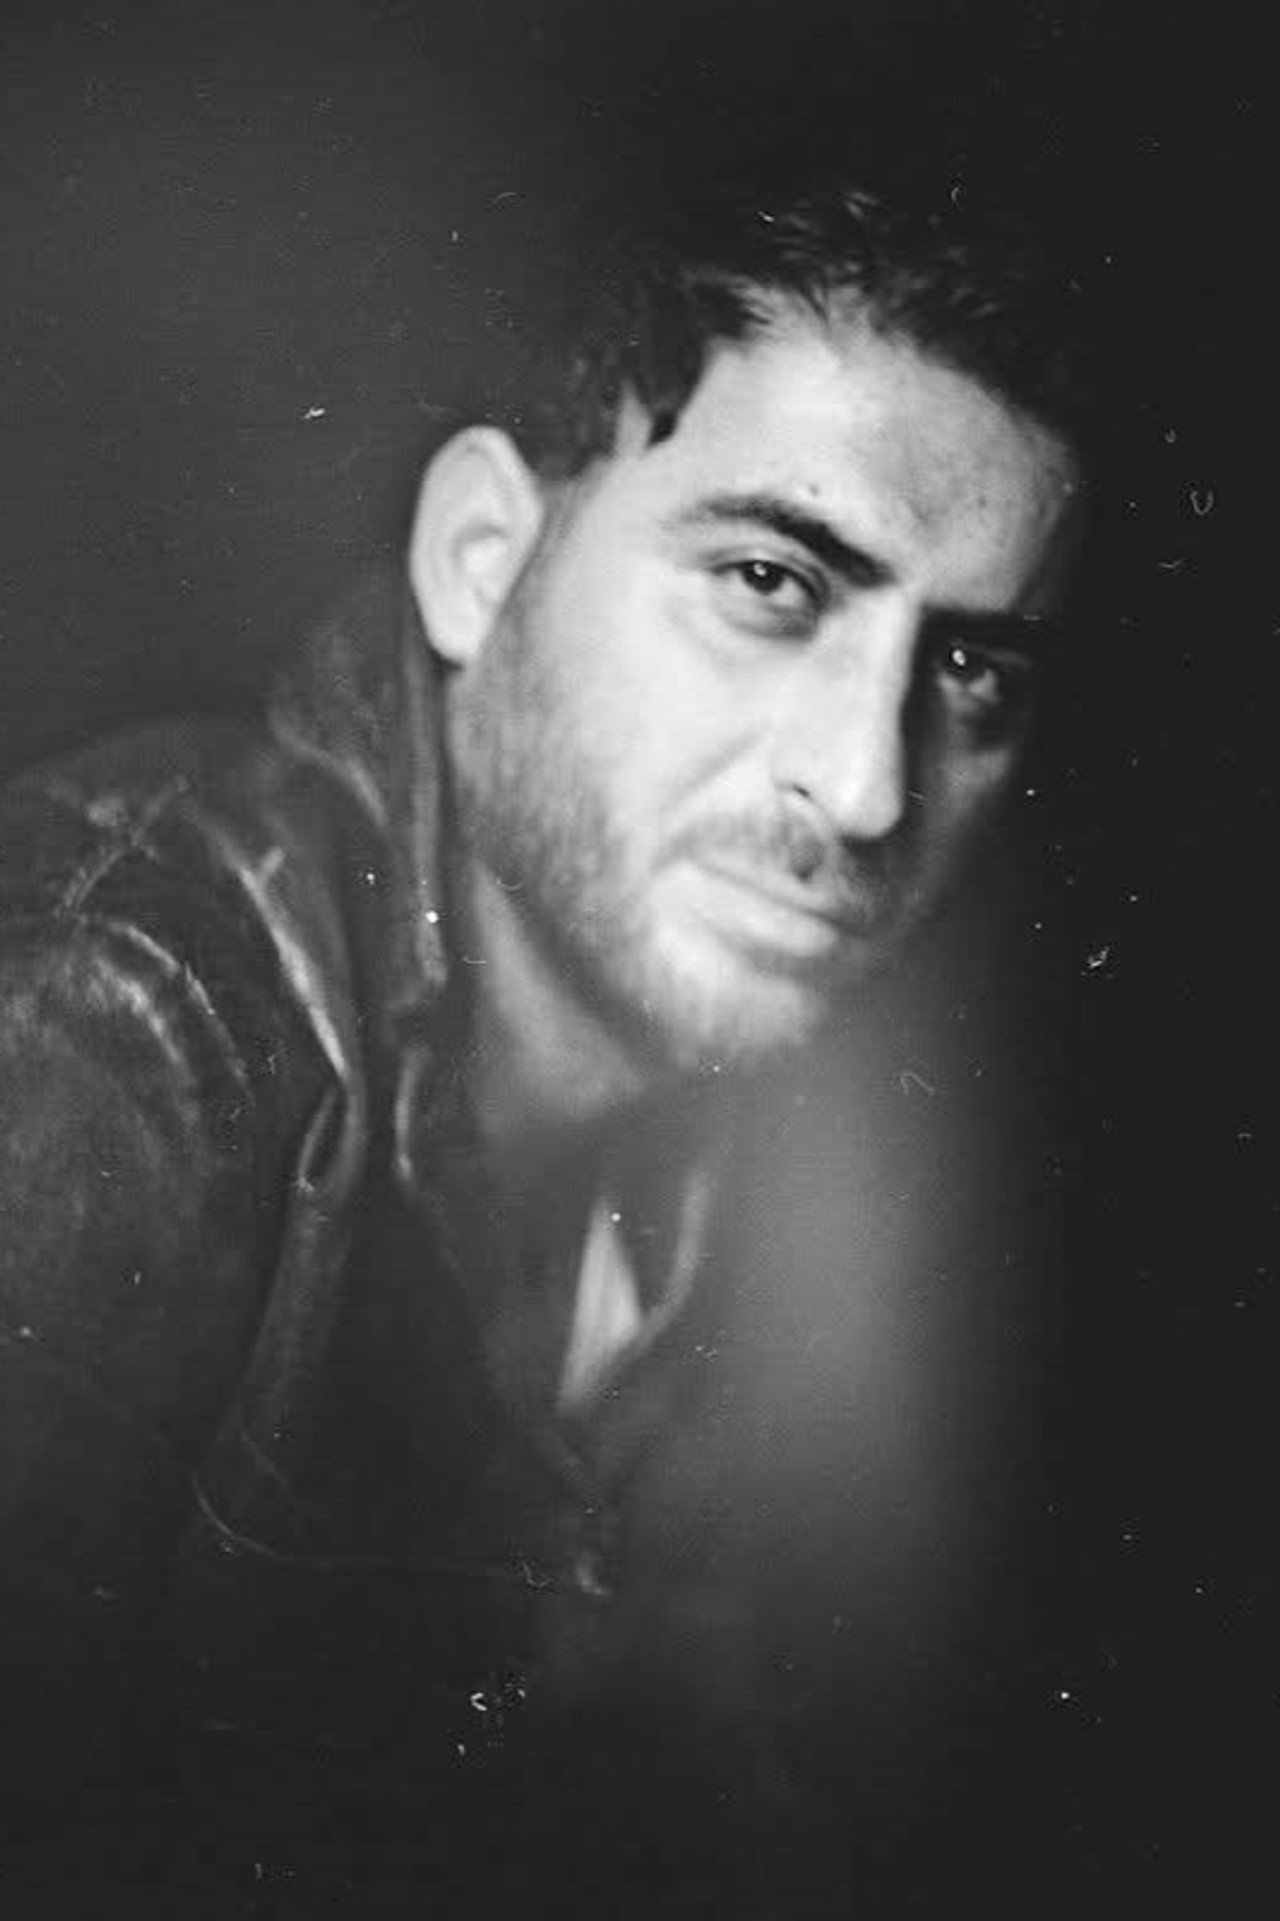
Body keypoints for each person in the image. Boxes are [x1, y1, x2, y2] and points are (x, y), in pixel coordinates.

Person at [0, 174, 1093, 1900]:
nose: (866, 786)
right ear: (479, 558)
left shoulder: (808, 1195)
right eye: (770, 581)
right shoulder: (118, 1029)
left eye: (972, 675)